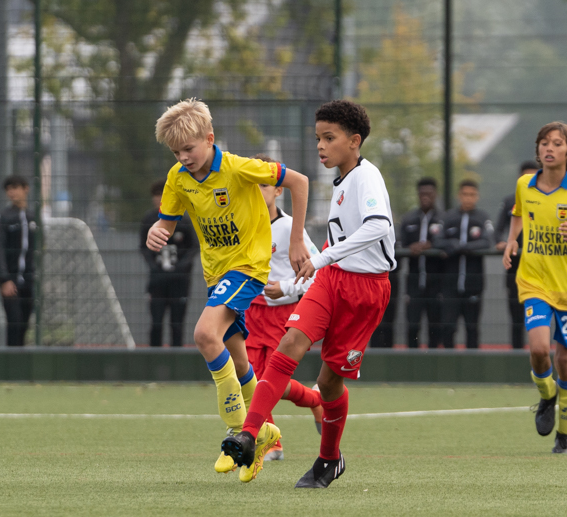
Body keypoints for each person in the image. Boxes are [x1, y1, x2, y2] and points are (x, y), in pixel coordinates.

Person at [222, 99, 395, 488]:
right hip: (333, 279)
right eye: (317, 138)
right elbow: (337, 248)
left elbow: (379, 226)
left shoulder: (367, 177)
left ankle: (330, 460)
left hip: (366, 291)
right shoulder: (340, 182)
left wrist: (321, 259)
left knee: (330, 382)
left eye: (329, 138)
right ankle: (250, 434)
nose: (320, 146)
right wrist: (311, 274)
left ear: (354, 141)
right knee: (291, 343)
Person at [146, 98, 309, 483]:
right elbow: (167, 224)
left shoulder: (239, 167)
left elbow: (298, 181)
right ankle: (264, 431)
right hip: (215, 275)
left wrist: (296, 240)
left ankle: (241, 433)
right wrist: (159, 232)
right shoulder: (178, 178)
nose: (183, 157)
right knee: (238, 362)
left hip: (248, 268)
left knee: (204, 334)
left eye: (189, 148)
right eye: (176, 151)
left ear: (210, 138)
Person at [502, 122, 567, 454]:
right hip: (534, 280)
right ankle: (547, 396)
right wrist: (511, 241)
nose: (549, 148)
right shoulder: (524, 184)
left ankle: (566, 433)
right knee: (538, 348)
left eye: (557, 143)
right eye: (544, 143)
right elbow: (519, 213)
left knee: (564, 360)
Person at [245, 153, 325, 462]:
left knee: (268, 379)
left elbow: (316, 273)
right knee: (249, 377)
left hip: (281, 313)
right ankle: (271, 441)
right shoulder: (243, 225)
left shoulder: (292, 228)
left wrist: (286, 288)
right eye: (252, 185)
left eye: (265, 185)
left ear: (279, 190)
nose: (258, 191)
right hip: (250, 310)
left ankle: (315, 401)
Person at [139, 178, 198, 347]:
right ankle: (154, 358)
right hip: (157, 280)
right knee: (156, 322)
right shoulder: (149, 219)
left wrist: (181, 267)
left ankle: (176, 358)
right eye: (156, 195)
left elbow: (194, 247)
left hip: (180, 281)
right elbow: (143, 247)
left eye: (162, 194)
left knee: (177, 323)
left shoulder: (184, 220)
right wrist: (154, 267)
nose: (158, 199)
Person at [435, 179, 492, 349]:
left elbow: (487, 241)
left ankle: (472, 369)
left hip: (474, 285)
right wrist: (452, 244)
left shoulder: (482, 218)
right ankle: (448, 366)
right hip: (449, 285)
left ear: (477, 196)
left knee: (472, 328)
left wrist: (464, 247)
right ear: (459, 196)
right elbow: (437, 240)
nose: (468, 198)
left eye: (472, 195)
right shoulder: (448, 217)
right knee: (448, 327)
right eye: (465, 194)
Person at [495, 161, 540, 349]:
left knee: (538, 316)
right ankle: (517, 352)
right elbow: (498, 231)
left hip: (539, 267)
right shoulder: (510, 202)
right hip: (514, 266)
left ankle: (538, 355)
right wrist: (502, 242)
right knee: (516, 313)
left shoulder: (546, 201)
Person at [399, 177, 445, 348]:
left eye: (429, 194)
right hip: (414, 281)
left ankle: (434, 365)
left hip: (437, 283)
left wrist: (430, 245)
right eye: (422, 194)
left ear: (435, 195)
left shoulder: (443, 219)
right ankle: (411, 365)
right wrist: (411, 248)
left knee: (435, 326)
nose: (425, 197)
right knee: (412, 325)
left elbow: (449, 243)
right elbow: (400, 244)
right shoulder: (409, 219)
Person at [0, 175, 38, 347]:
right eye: (8, 189)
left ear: (25, 188)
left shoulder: (33, 217)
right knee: (14, 323)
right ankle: (11, 369)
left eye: (15, 187)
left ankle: (21, 369)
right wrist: (5, 279)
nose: (11, 192)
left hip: (29, 281)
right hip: (11, 282)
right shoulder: (5, 217)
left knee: (24, 325)